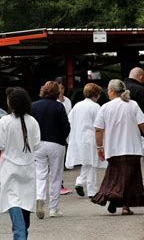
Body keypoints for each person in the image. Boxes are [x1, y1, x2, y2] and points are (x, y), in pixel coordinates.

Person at [91, 79, 144, 215]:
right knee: (130, 179)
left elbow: (98, 130)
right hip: (132, 148)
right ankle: (125, 206)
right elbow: (143, 124)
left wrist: (99, 147)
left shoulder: (106, 107)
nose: (107, 92)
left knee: (114, 177)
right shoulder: (133, 105)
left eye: (108, 89)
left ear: (112, 91)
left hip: (113, 150)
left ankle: (113, 198)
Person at [0, 87, 41, 240]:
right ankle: (23, 233)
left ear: (11, 103)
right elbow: (37, 144)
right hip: (28, 168)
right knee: (25, 203)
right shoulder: (32, 121)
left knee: (13, 202)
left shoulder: (4, 121)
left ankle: (20, 236)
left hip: (10, 168)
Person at [31, 81, 70, 219]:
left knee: (40, 174)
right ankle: (53, 208)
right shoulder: (59, 107)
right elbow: (66, 127)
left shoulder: (34, 106)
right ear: (56, 92)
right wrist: (61, 137)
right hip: (56, 144)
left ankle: (39, 197)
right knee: (55, 176)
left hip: (38, 144)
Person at [65, 83, 107, 198]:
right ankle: (92, 191)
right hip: (91, 138)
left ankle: (79, 182)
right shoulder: (96, 107)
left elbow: (70, 121)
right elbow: (99, 124)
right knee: (93, 164)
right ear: (96, 94)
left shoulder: (77, 105)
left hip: (79, 138)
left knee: (86, 162)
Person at [55, 77, 73, 195]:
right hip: (55, 132)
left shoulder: (67, 101)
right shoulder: (53, 101)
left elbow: (69, 116)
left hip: (64, 132)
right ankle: (57, 184)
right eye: (59, 88)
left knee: (60, 161)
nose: (61, 91)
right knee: (55, 162)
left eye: (62, 88)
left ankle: (59, 184)